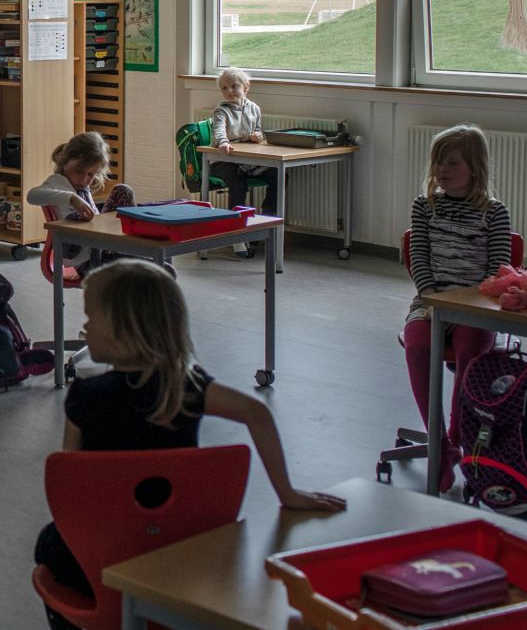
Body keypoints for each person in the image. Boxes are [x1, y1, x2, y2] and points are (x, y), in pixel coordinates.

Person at [33, 260, 345, 613]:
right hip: (182, 547)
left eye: (90, 318)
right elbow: (257, 413)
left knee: (49, 545)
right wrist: (286, 492)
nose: (84, 328)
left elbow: (69, 491)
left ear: (124, 328)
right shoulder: (187, 389)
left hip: (105, 551)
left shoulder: (84, 397)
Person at [404, 124, 512, 493]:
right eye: (437, 164)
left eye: (451, 163)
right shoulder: (424, 206)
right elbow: (418, 256)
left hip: (475, 307)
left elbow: (496, 270)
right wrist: (433, 299)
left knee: (470, 352)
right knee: (418, 346)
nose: (441, 171)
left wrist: (463, 308)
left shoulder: (494, 213)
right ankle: (442, 445)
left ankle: (458, 433)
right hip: (430, 302)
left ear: (475, 169)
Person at [27, 132, 135, 274]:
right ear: (65, 161)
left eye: (91, 174)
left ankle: (130, 248)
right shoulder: (58, 182)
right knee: (157, 271)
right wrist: (72, 198)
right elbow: (32, 195)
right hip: (87, 261)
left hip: (102, 248)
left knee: (123, 191)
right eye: (79, 171)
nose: (84, 179)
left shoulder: (83, 186)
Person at [208, 67, 275, 258]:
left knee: (279, 174)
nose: (229, 91)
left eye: (234, 86)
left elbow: (259, 131)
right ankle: (237, 237)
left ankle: (266, 218)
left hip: (248, 162)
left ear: (246, 87)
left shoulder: (254, 108)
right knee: (238, 184)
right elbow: (219, 130)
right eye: (224, 88)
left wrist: (257, 136)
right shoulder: (222, 110)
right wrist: (223, 142)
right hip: (224, 161)